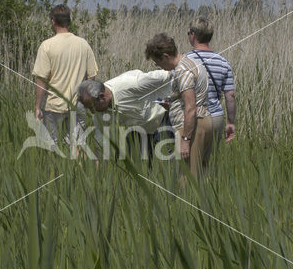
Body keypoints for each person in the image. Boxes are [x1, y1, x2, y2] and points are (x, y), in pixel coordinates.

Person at [145, 33, 212, 178]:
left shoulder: (183, 71)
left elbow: (190, 108)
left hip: (191, 126)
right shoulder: (190, 62)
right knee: (200, 176)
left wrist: (186, 140)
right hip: (201, 121)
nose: (160, 67)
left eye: (158, 62)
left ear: (165, 56)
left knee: (187, 179)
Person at [32, 4, 98, 147]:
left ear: (53, 21)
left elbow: (41, 80)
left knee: (51, 147)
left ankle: (54, 170)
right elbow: (91, 78)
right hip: (78, 104)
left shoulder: (46, 46)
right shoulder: (83, 44)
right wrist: (87, 101)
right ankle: (79, 168)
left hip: (53, 105)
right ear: (69, 21)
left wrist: (37, 107)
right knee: (78, 145)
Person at [77, 69, 172, 159]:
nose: (92, 112)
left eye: (92, 107)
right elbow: (101, 142)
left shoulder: (132, 83)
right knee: (138, 168)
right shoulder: (99, 114)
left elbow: (168, 75)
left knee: (166, 158)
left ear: (102, 96)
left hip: (163, 117)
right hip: (138, 130)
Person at [185, 17, 236, 143]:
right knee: (210, 159)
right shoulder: (223, 62)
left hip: (194, 118)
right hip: (216, 118)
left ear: (193, 34)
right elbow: (230, 95)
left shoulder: (184, 61)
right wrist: (231, 122)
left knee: (191, 160)